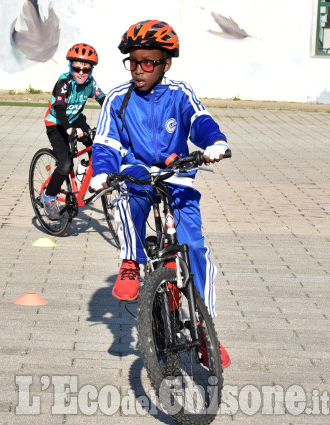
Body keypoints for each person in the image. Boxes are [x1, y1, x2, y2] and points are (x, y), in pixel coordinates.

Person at [89, 20, 231, 367]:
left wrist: (214, 142)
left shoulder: (179, 93)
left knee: (194, 246)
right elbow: (106, 141)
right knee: (126, 196)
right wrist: (103, 172)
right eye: (133, 62)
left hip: (175, 172)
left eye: (148, 62)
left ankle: (204, 326)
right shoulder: (117, 99)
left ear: (166, 63)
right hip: (137, 170)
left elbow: (199, 119)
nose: (139, 70)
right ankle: (130, 262)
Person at [41, 43, 106, 220]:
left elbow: (104, 101)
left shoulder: (90, 83)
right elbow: (60, 109)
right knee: (65, 164)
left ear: (91, 70)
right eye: (77, 68)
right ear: (71, 67)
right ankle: (49, 195)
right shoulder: (64, 83)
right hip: (56, 123)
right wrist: (69, 129)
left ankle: (85, 173)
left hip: (76, 119)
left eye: (86, 69)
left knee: (98, 147)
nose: (81, 73)